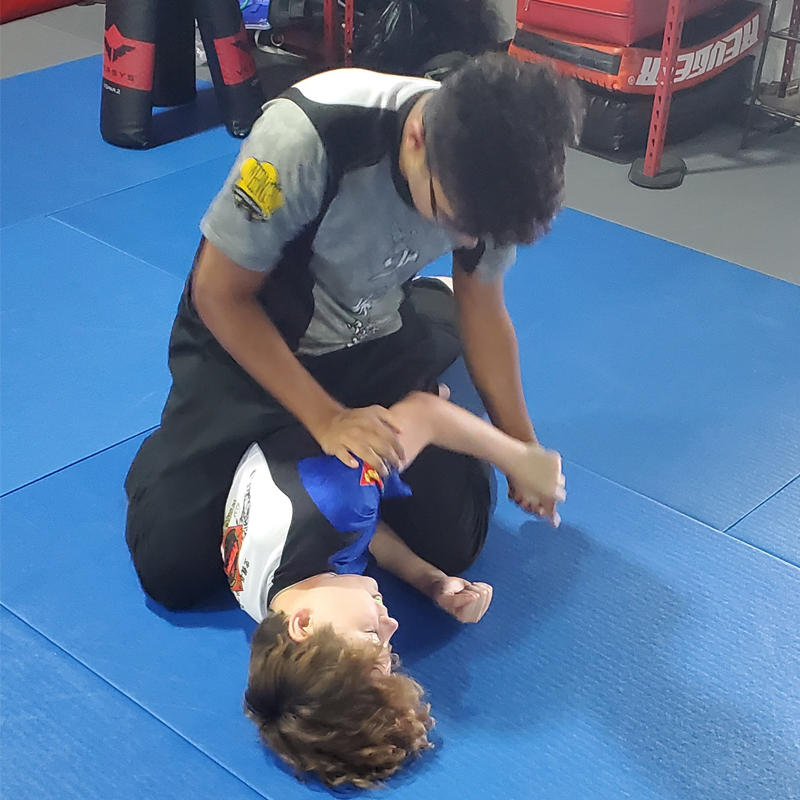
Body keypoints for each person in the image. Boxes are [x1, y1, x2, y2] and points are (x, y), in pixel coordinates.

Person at [124, 53, 580, 613]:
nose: (462, 238)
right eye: (450, 218)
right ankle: (192, 446)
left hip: (373, 330)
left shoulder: (496, 179)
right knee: (172, 568)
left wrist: (522, 448)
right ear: (416, 138)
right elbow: (219, 294)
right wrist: (326, 418)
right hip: (258, 331)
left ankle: (427, 320)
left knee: (455, 541)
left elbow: (482, 306)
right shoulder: (309, 136)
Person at [227, 387, 565, 788]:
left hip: (365, 368)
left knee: (459, 540)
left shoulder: (338, 498)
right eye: (388, 648)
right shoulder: (277, 602)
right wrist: (432, 582)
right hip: (306, 437)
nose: (392, 627)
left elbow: (427, 413)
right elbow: (360, 537)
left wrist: (521, 458)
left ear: (303, 624)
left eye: (372, 634)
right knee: (441, 554)